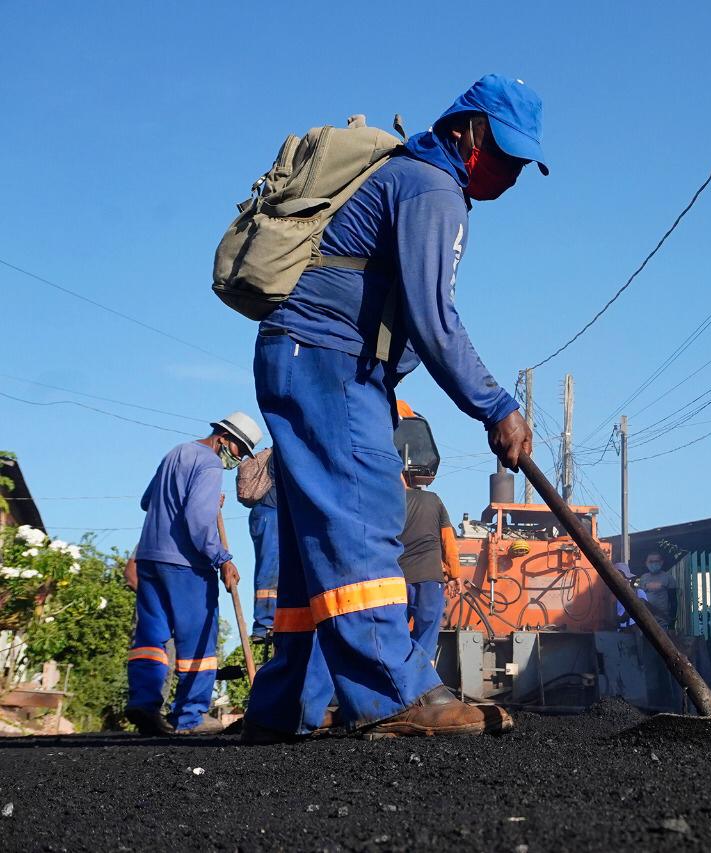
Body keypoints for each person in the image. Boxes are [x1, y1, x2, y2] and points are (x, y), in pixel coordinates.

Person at [241, 74, 543, 743]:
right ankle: (391, 693)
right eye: (505, 153)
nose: (512, 173)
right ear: (468, 129)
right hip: (329, 359)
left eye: (523, 164)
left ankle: (282, 705)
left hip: (302, 354)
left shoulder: (415, 179)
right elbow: (435, 319)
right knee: (366, 507)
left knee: (309, 539)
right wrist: (496, 405)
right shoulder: (434, 188)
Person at [126, 412, 260, 735]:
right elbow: (199, 521)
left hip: (150, 557)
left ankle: (144, 703)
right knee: (197, 639)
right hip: (186, 565)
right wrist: (222, 558)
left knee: (151, 636)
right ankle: (190, 716)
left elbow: (148, 501)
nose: (237, 459)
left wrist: (204, 499)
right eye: (239, 451)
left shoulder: (176, 452)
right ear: (224, 439)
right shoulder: (211, 465)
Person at [396, 420, 458, 668]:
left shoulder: (390, 501)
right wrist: (454, 575)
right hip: (429, 580)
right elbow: (448, 542)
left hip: (396, 580)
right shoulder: (434, 501)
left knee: (396, 636)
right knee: (426, 635)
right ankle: (422, 684)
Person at [236, 447, 279, 642]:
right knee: (270, 568)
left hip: (267, 514)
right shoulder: (283, 452)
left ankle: (270, 620)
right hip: (270, 513)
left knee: (274, 567)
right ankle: (265, 623)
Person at [636, 552, 678, 631]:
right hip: (645, 617)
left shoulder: (668, 578)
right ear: (646, 563)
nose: (653, 564)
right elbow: (639, 597)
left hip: (661, 618)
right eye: (651, 561)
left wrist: (672, 622)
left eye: (656, 561)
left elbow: (673, 601)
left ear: (661, 562)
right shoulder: (643, 578)